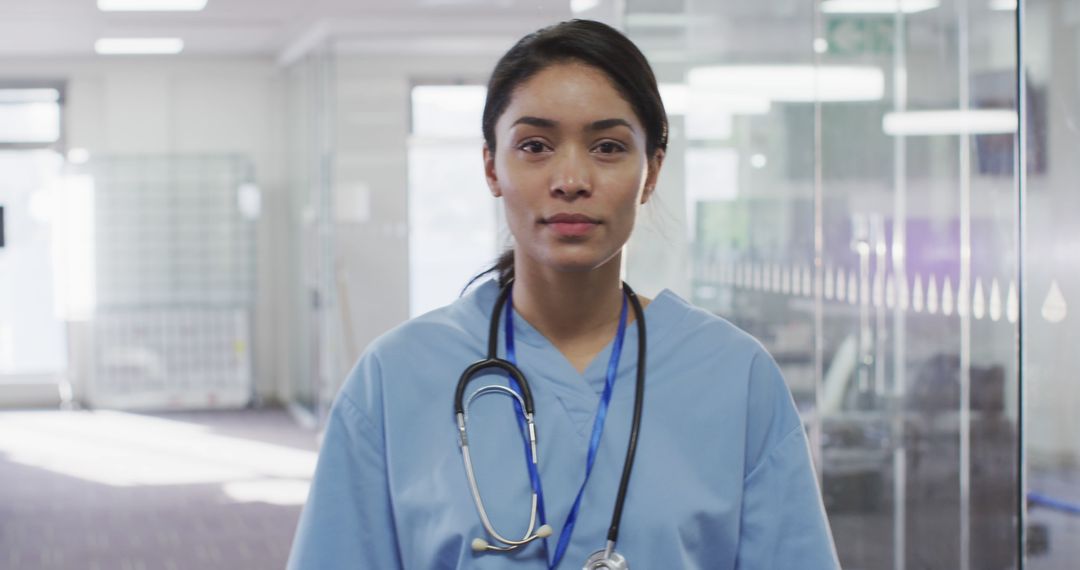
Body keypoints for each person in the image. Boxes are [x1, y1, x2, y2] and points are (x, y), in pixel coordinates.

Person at [287, 19, 838, 570]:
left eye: (607, 146)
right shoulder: (395, 377)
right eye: (535, 145)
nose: (571, 178)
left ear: (651, 173)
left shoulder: (735, 376)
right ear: (490, 167)